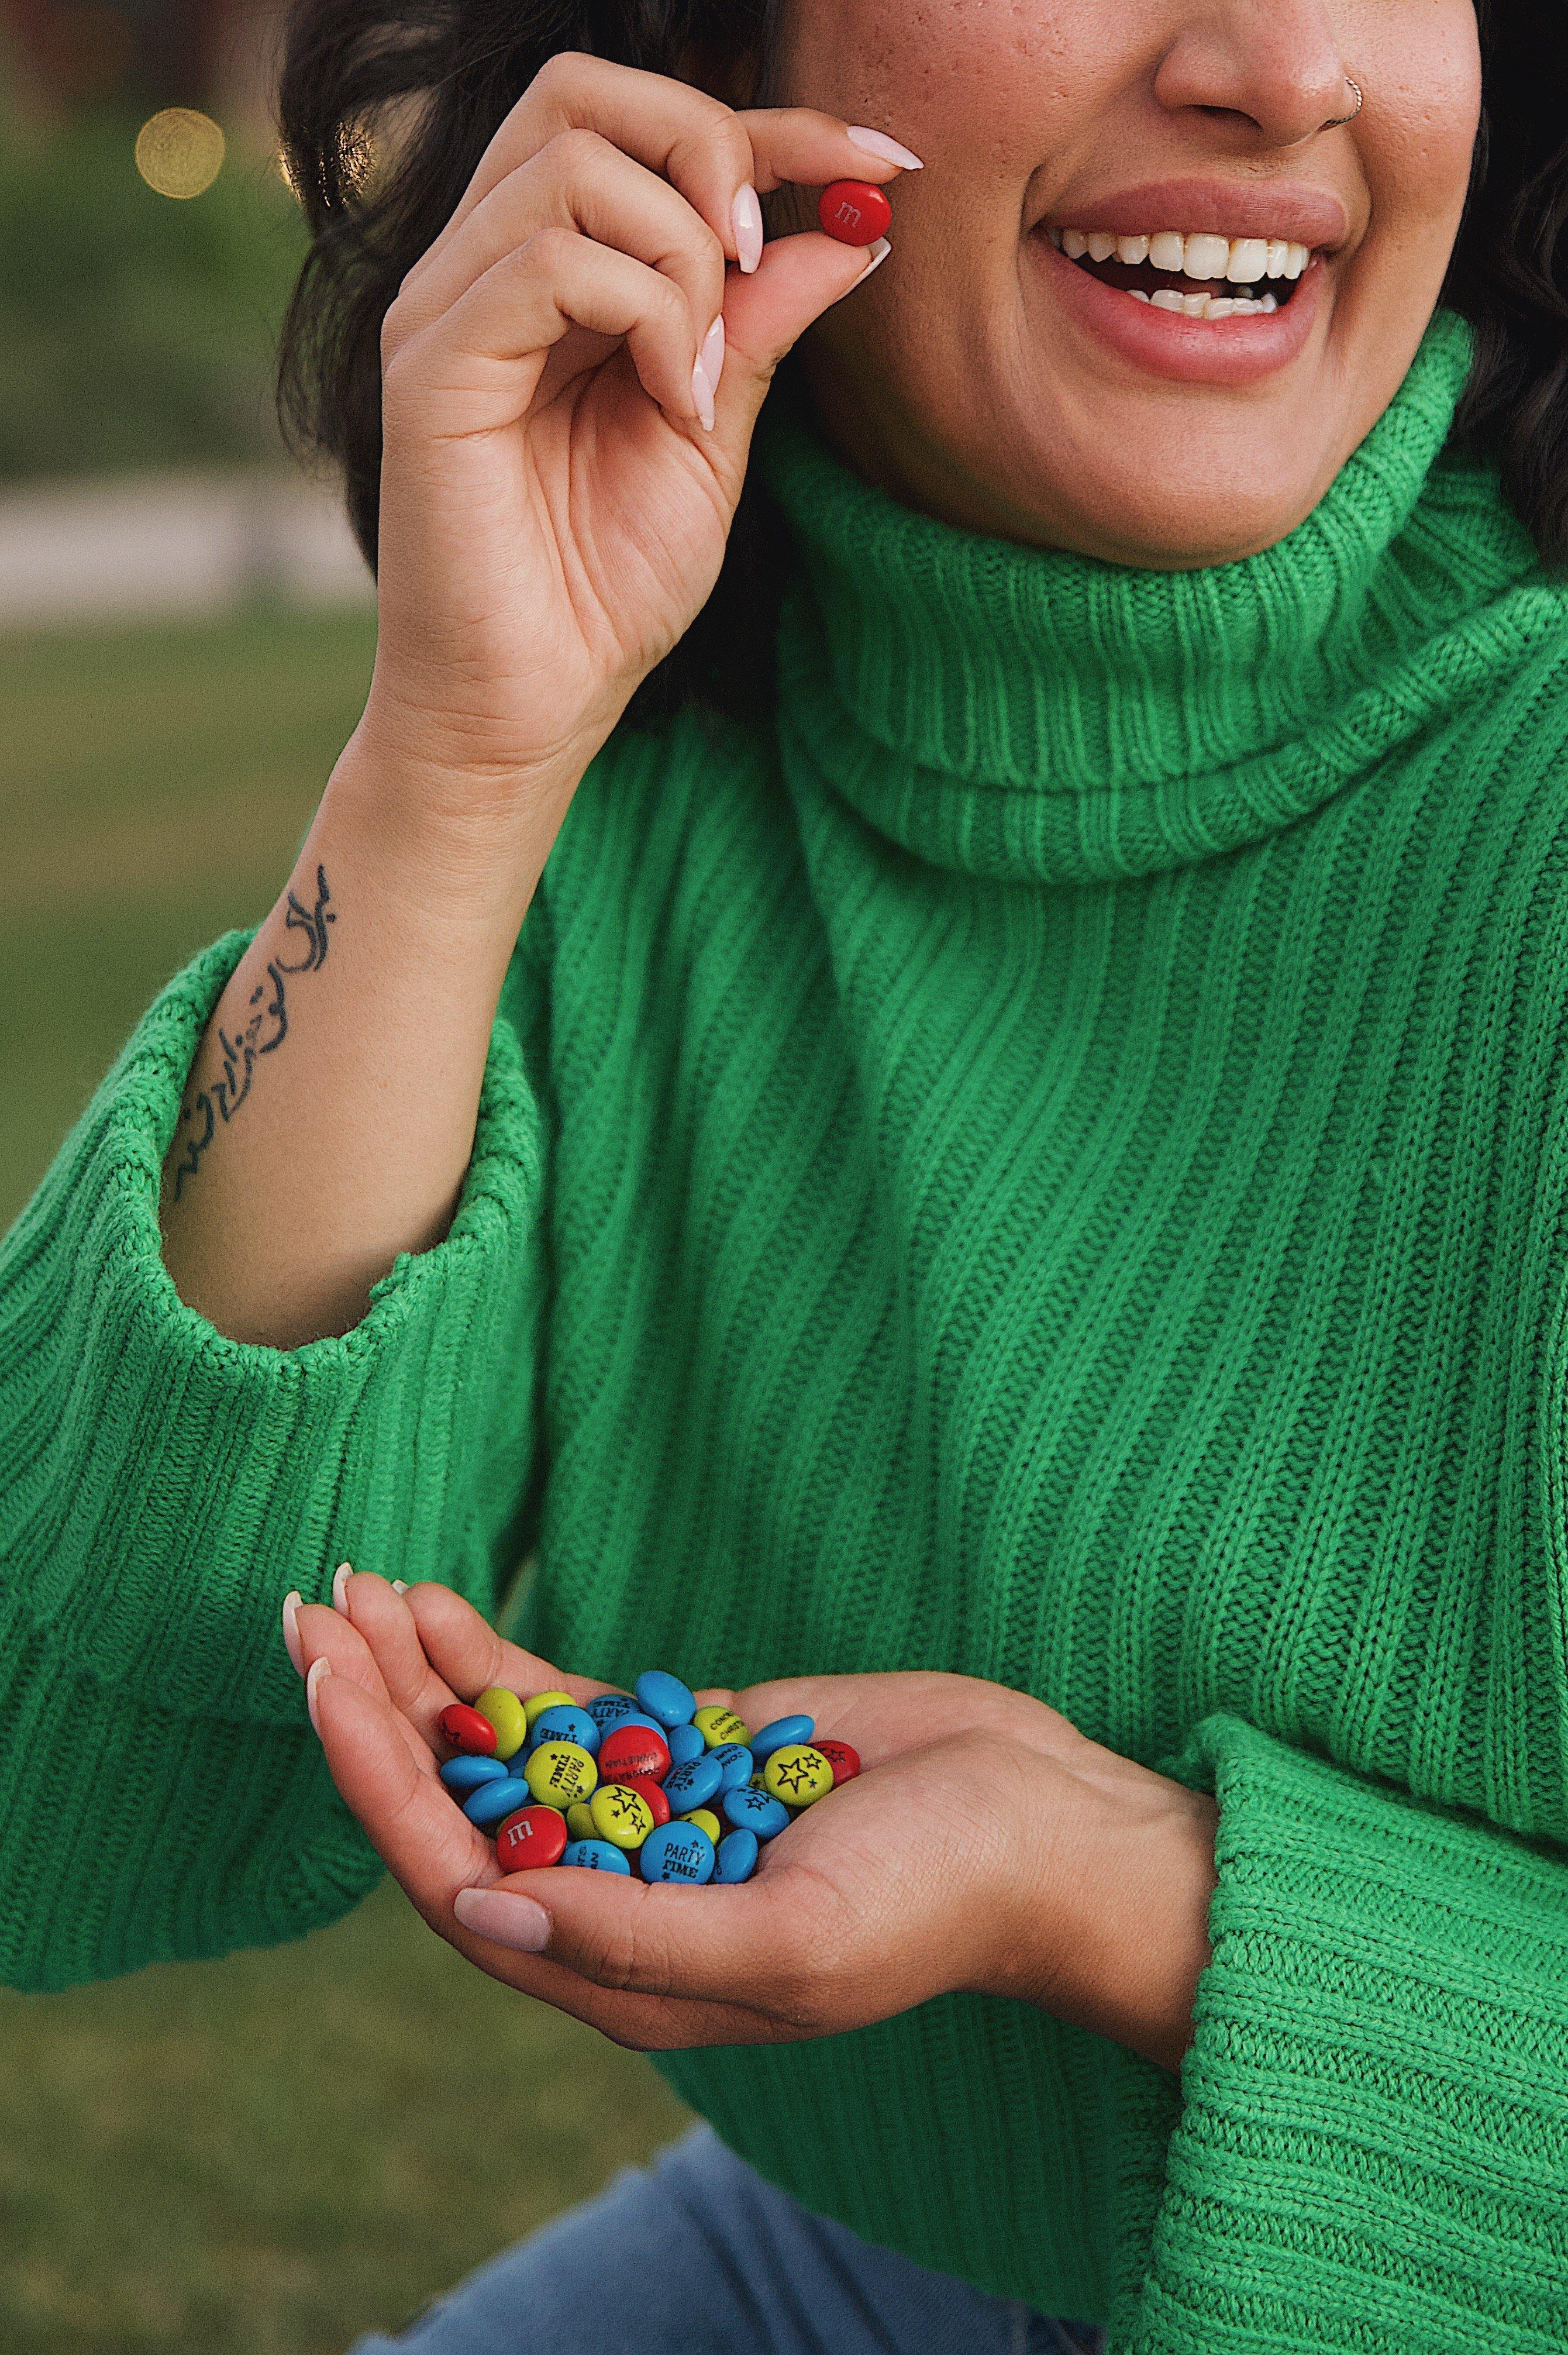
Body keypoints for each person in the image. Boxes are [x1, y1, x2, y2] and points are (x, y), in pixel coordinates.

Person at [4, 0, 1567, 2346]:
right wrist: (452, 758)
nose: (1282, 67)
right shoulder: (644, 778)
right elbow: (71, 1812)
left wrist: (1115, 1894)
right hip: (882, 2254)